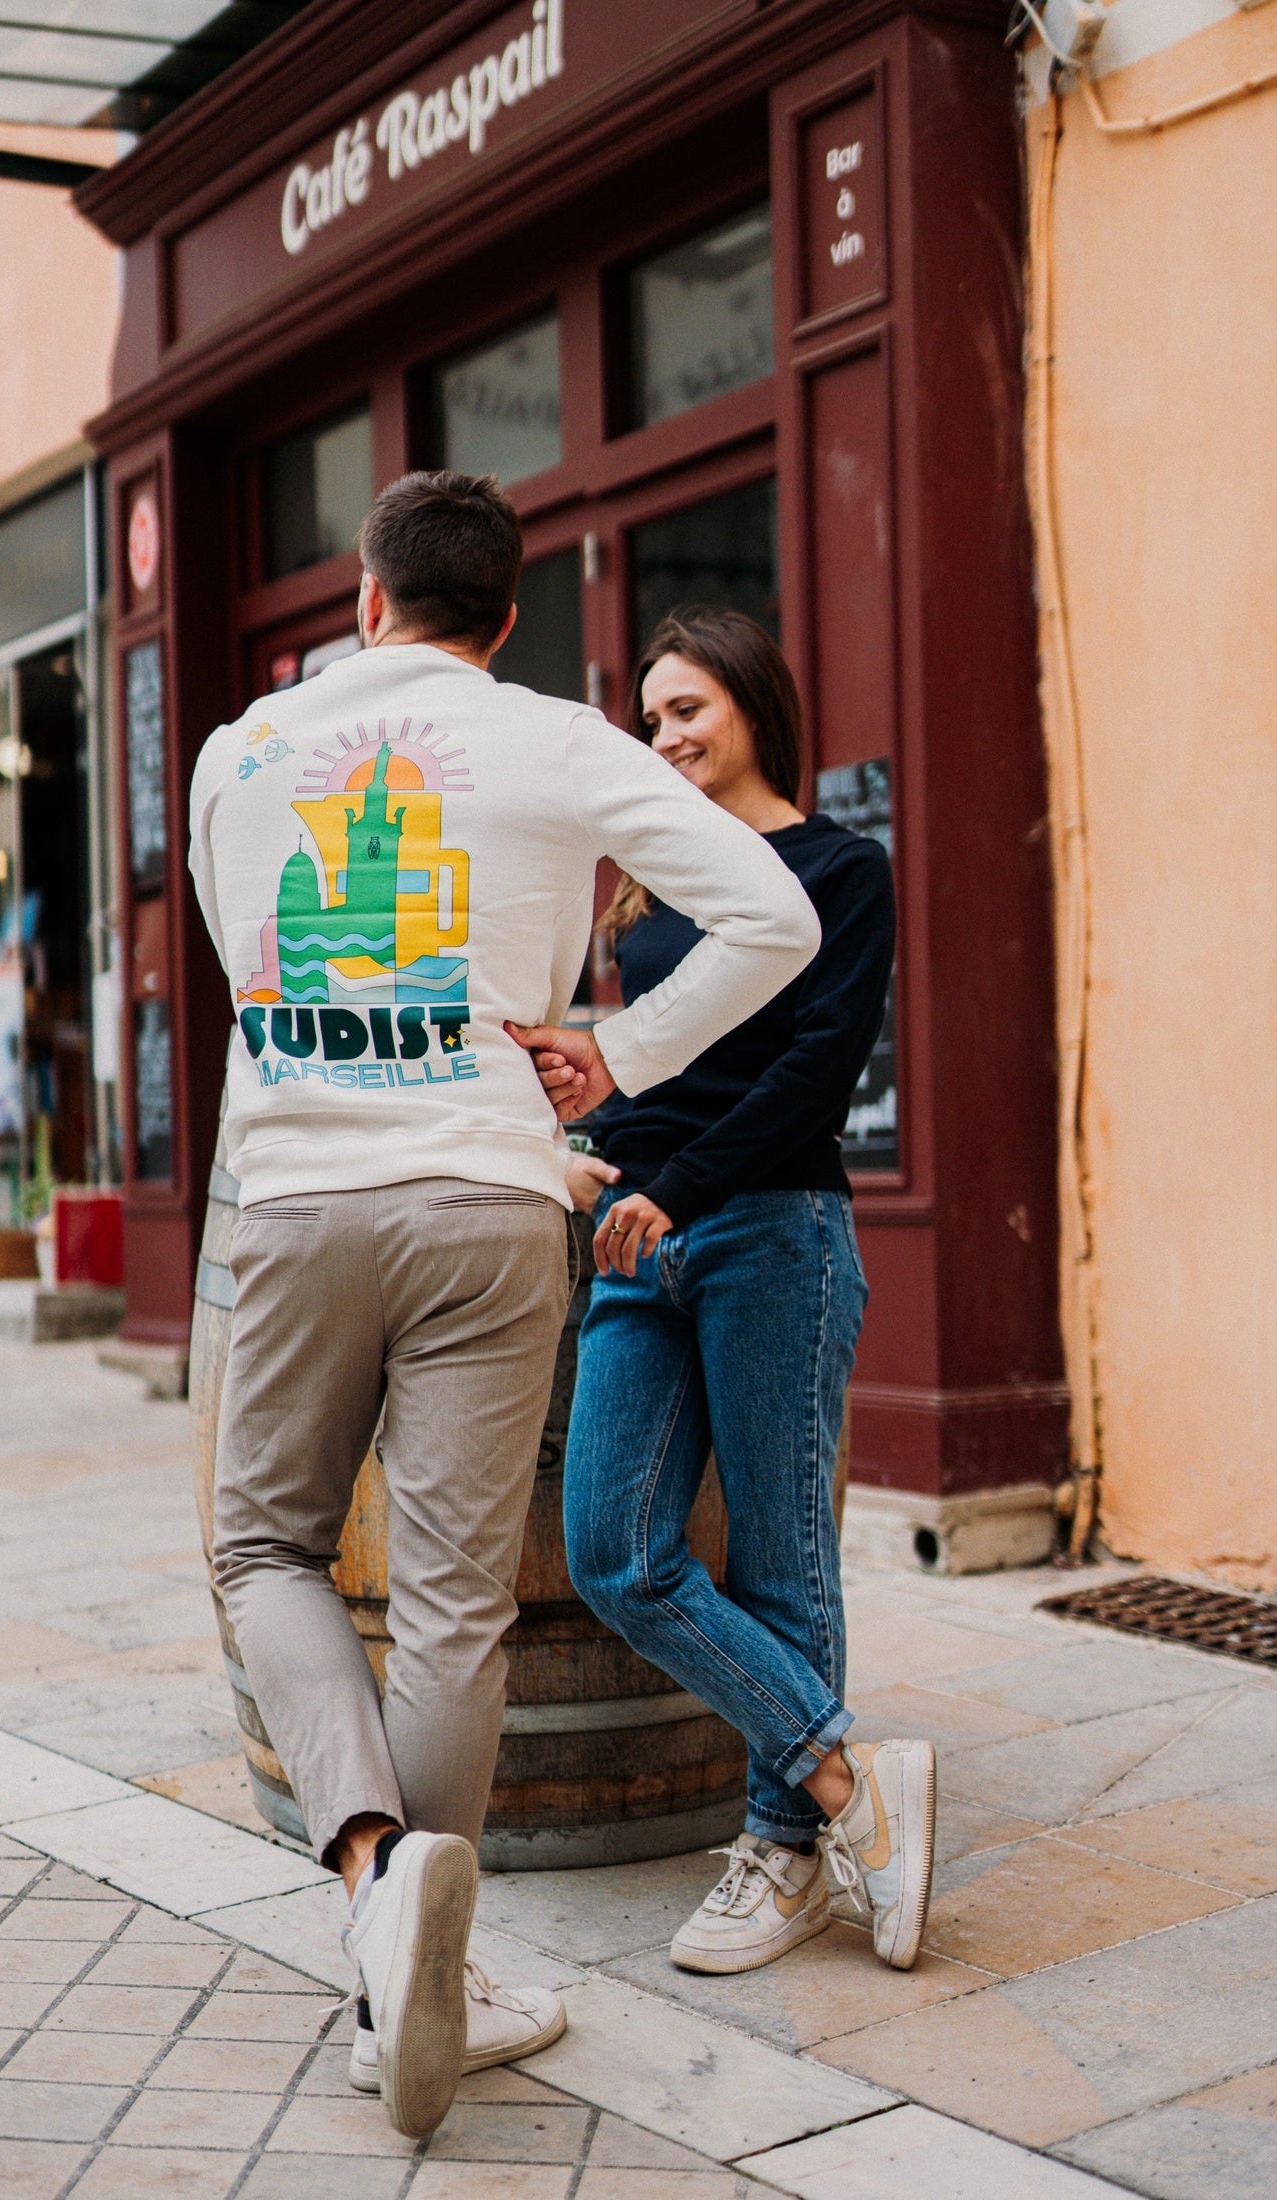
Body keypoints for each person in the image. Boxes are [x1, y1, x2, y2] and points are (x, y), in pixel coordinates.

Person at [188, 480, 822, 2138]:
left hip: (301, 1193)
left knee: (264, 1549)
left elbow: (243, 958)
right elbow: (782, 913)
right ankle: (432, 1968)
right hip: (487, 1192)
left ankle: (375, 1890)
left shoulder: (238, 756)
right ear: (507, 620)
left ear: (365, 595)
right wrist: (619, 1051)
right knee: (458, 1608)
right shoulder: (551, 739)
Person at [534, 607, 936, 1978]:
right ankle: (850, 1780)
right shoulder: (647, 887)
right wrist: (583, 1157)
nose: (668, 738)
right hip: (642, 1243)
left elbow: (816, 1074)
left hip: (771, 1231)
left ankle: (782, 1852)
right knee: (615, 1551)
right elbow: (633, 1067)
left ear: (758, 702)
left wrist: (677, 1184)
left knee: (780, 1559)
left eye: (689, 707)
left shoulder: (839, 868)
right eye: (651, 720)